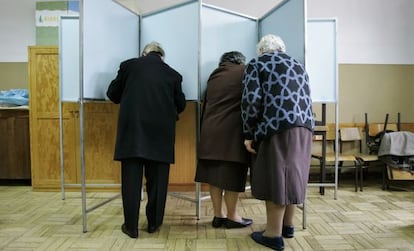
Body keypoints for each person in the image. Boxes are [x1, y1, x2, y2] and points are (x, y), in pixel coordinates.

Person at [241, 35, 314, 251]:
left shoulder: (257, 63)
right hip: (304, 127)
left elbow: (251, 99)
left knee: (277, 177)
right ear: (282, 49)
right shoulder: (298, 65)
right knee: (293, 176)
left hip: (276, 126)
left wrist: (248, 132)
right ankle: (287, 226)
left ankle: (273, 235)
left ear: (261, 50)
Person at [106, 41, 186, 238]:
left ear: (144, 54)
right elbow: (181, 104)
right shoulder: (173, 74)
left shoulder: (128, 66)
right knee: (158, 182)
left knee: (131, 183)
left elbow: (112, 94)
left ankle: (131, 227)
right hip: (161, 134)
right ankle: (154, 224)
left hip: (132, 133)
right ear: (162, 56)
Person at [195, 51, 252, 229]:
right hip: (231, 133)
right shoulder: (245, 72)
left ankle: (218, 215)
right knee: (232, 176)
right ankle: (233, 216)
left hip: (209, 132)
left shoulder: (214, 76)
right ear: (241, 62)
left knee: (214, 177)